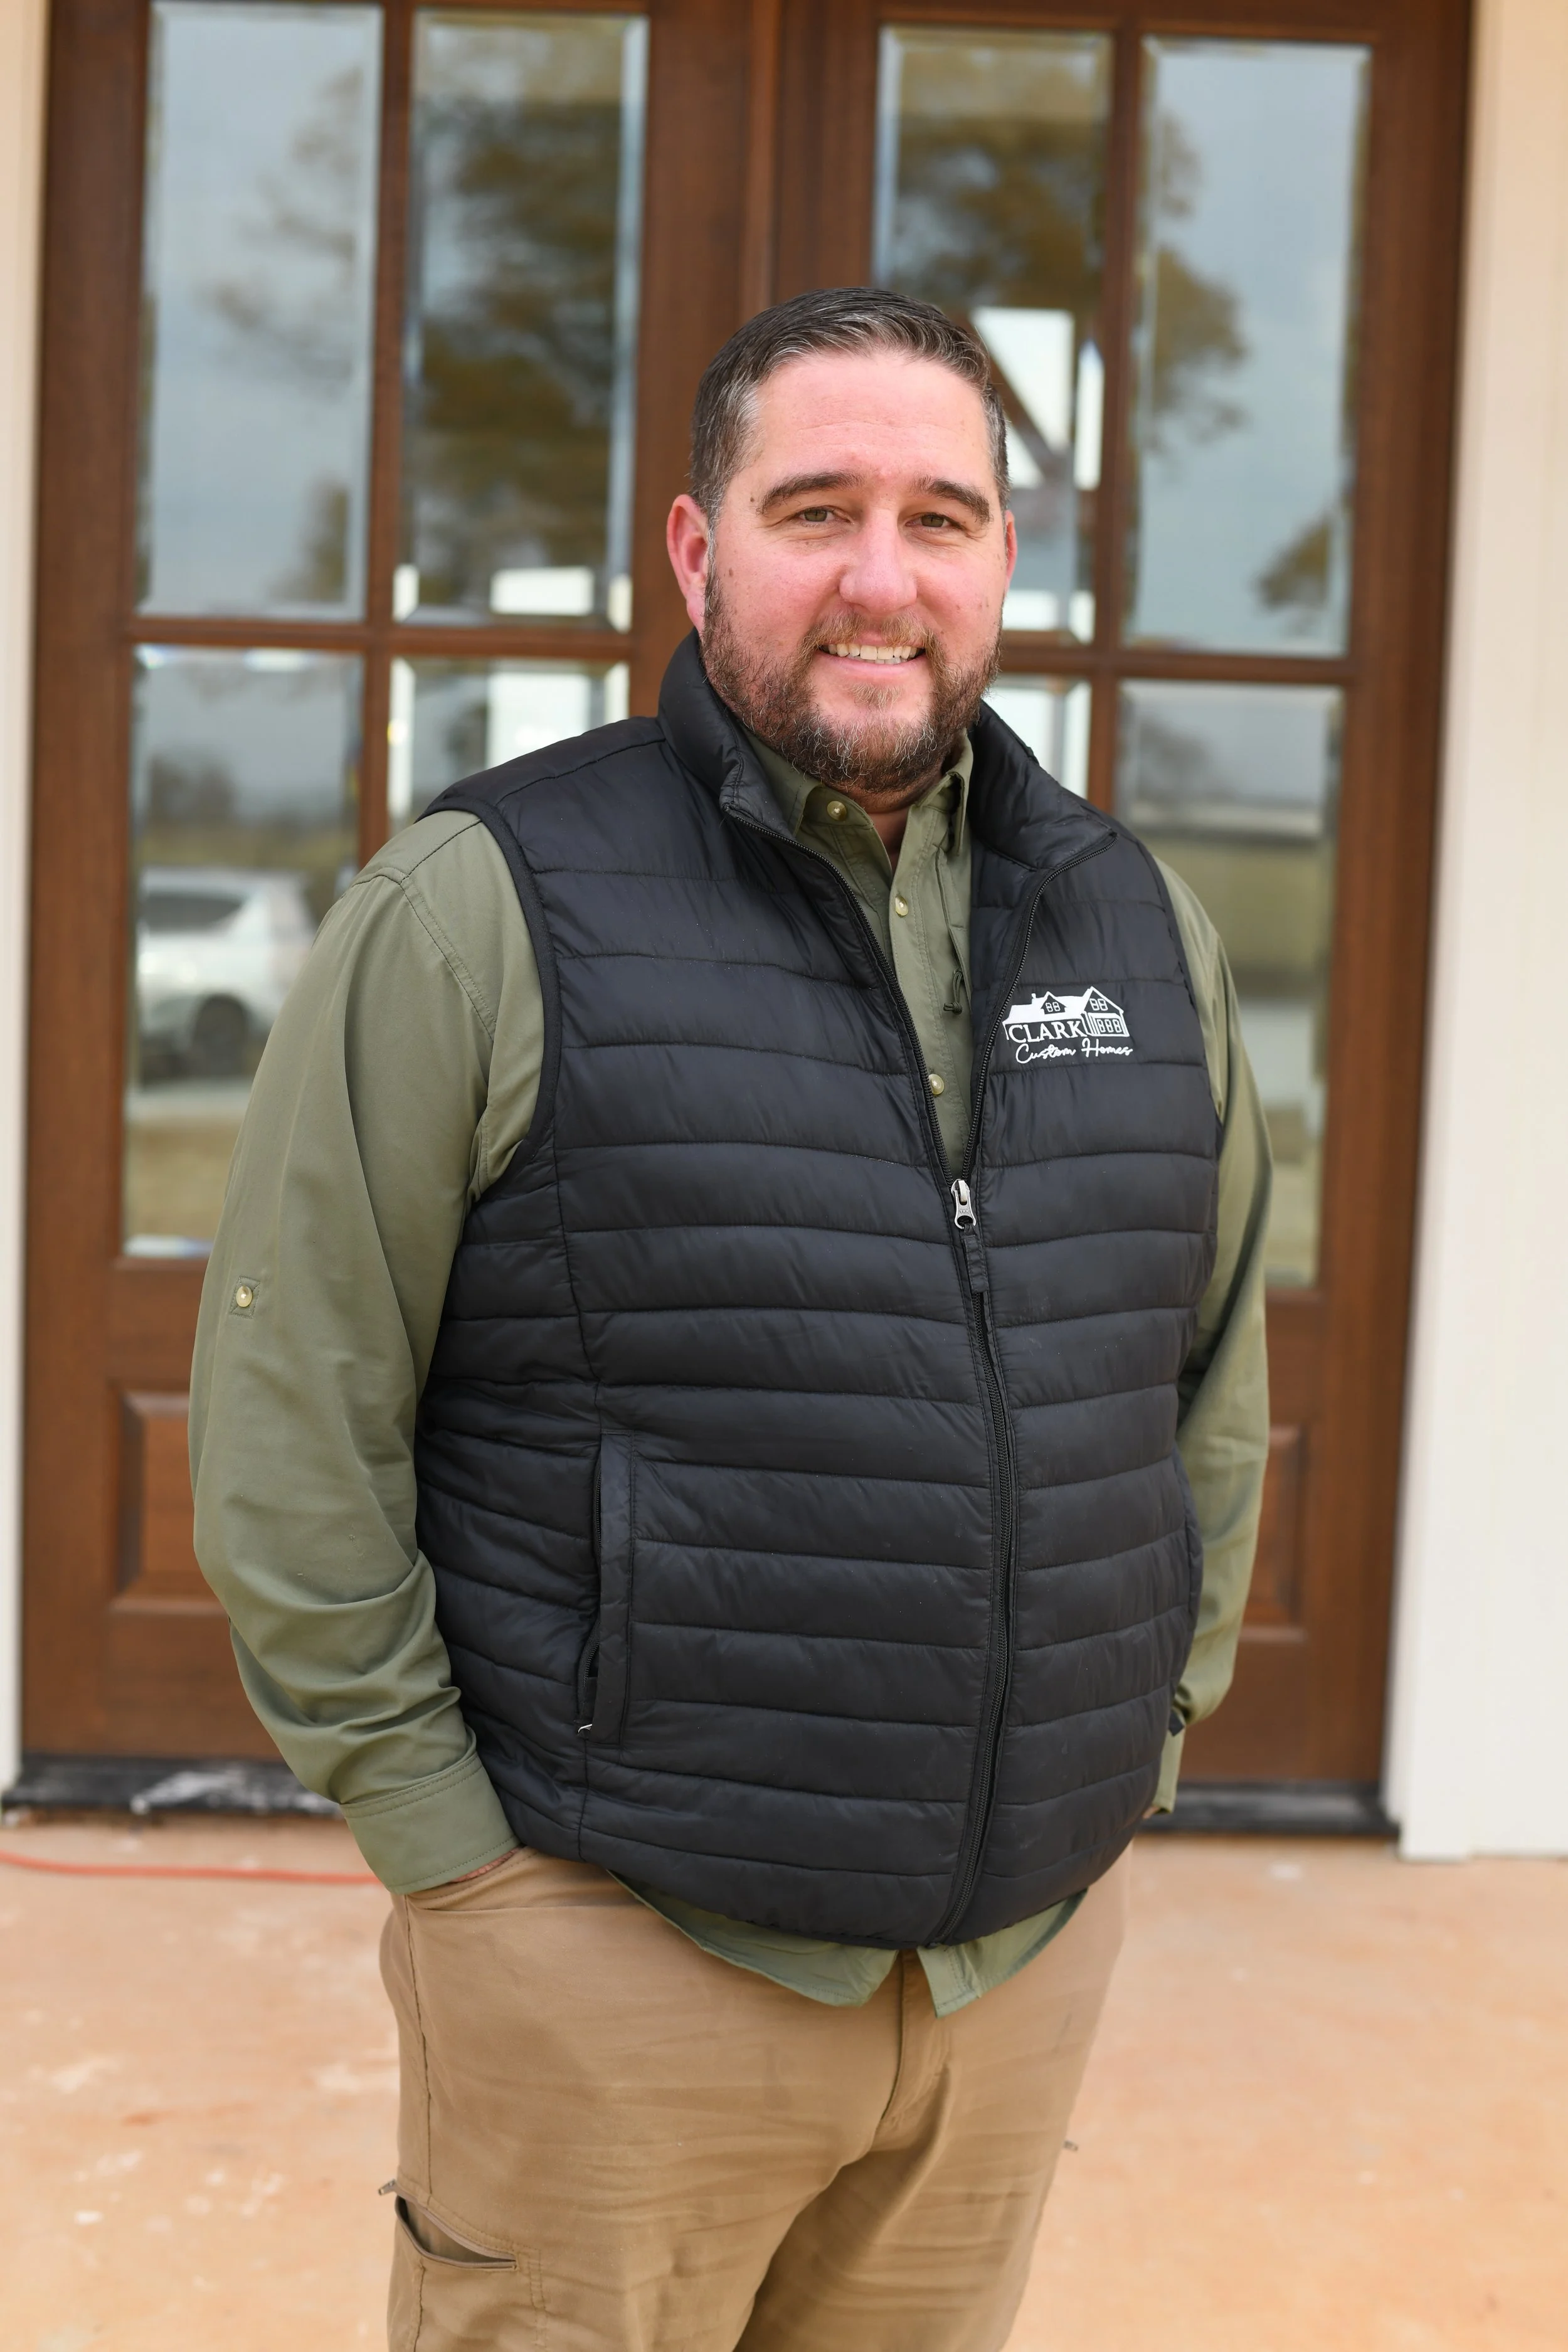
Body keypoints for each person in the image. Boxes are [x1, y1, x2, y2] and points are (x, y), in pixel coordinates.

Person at [191, 287, 1270, 2351]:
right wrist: (461, 1874)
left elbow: (1202, 1382)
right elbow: (289, 1422)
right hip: (617, 1962)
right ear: (696, 554)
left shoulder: (1136, 922)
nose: (883, 577)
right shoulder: (480, 905)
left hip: (1008, 1976)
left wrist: (1138, 1746)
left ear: (1003, 560)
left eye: (941, 515)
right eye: (816, 508)